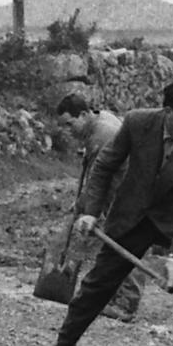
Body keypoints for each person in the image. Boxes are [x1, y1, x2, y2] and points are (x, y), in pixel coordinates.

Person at [34, 81, 173, 346]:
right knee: (98, 284)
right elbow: (104, 166)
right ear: (168, 112)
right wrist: (91, 211)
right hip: (134, 216)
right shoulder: (138, 123)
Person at [55, 91, 146, 322]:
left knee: (125, 244)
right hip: (124, 191)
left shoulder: (102, 135)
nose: (67, 130)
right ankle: (117, 298)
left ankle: (126, 305)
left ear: (84, 114)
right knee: (116, 245)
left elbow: (97, 178)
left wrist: (85, 209)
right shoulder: (100, 121)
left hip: (129, 195)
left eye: (69, 123)